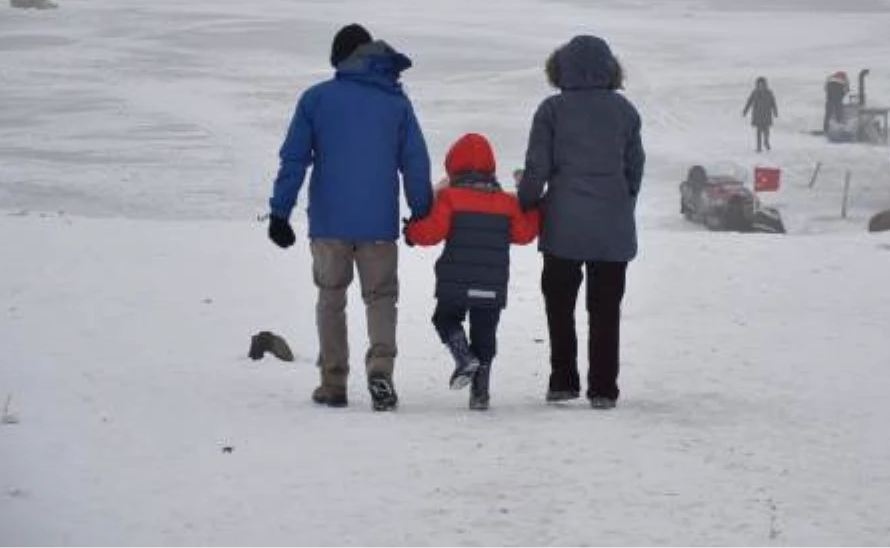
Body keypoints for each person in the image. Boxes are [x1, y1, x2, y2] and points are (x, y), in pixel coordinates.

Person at [266, 24, 433, 412]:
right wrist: (421, 212)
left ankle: (333, 382)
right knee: (380, 298)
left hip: (329, 223)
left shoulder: (316, 100)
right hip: (378, 223)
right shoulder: (396, 103)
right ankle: (381, 373)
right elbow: (415, 163)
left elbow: (294, 159)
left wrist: (280, 212)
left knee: (330, 297)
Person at [517, 35, 645, 410]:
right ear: (611, 69)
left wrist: (526, 203)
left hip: (562, 226)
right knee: (606, 309)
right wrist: (623, 201)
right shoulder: (625, 111)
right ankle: (603, 388)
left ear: (559, 69)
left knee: (559, 305)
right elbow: (634, 167)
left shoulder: (551, 110)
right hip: (612, 227)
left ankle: (563, 380)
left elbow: (537, 166)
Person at [404, 133, 539, 410]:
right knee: (485, 334)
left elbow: (430, 233)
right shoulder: (507, 203)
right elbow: (524, 234)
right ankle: (480, 393)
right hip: (492, 284)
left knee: (445, 318)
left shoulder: (450, 198)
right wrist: (535, 207)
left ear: (453, 166)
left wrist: (410, 231)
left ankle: (463, 357)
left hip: (455, 283)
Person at [741, 76, 778, 151]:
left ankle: (766, 142)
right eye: (759, 84)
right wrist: (745, 111)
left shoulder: (769, 92)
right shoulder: (754, 93)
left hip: (767, 114)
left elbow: (773, 103)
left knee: (766, 131)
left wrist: (775, 112)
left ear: (765, 84)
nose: (761, 86)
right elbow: (749, 102)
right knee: (758, 132)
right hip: (758, 115)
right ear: (757, 85)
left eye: (762, 84)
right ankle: (759, 147)